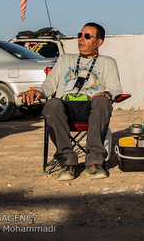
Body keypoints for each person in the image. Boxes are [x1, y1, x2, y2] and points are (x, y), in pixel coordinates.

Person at [19, 22, 122, 181]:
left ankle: (95, 161)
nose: (81, 39)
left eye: (87, 36)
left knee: (102, 101)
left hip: (90, 107)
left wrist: (107, 93)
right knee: (51, 104)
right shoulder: (65, 59)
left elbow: (116, 89)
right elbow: (49, 85)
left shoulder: (108, 62)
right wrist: (38, 92)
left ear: (99, 42)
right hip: (65, 107)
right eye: (80, 35)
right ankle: (68, 161)